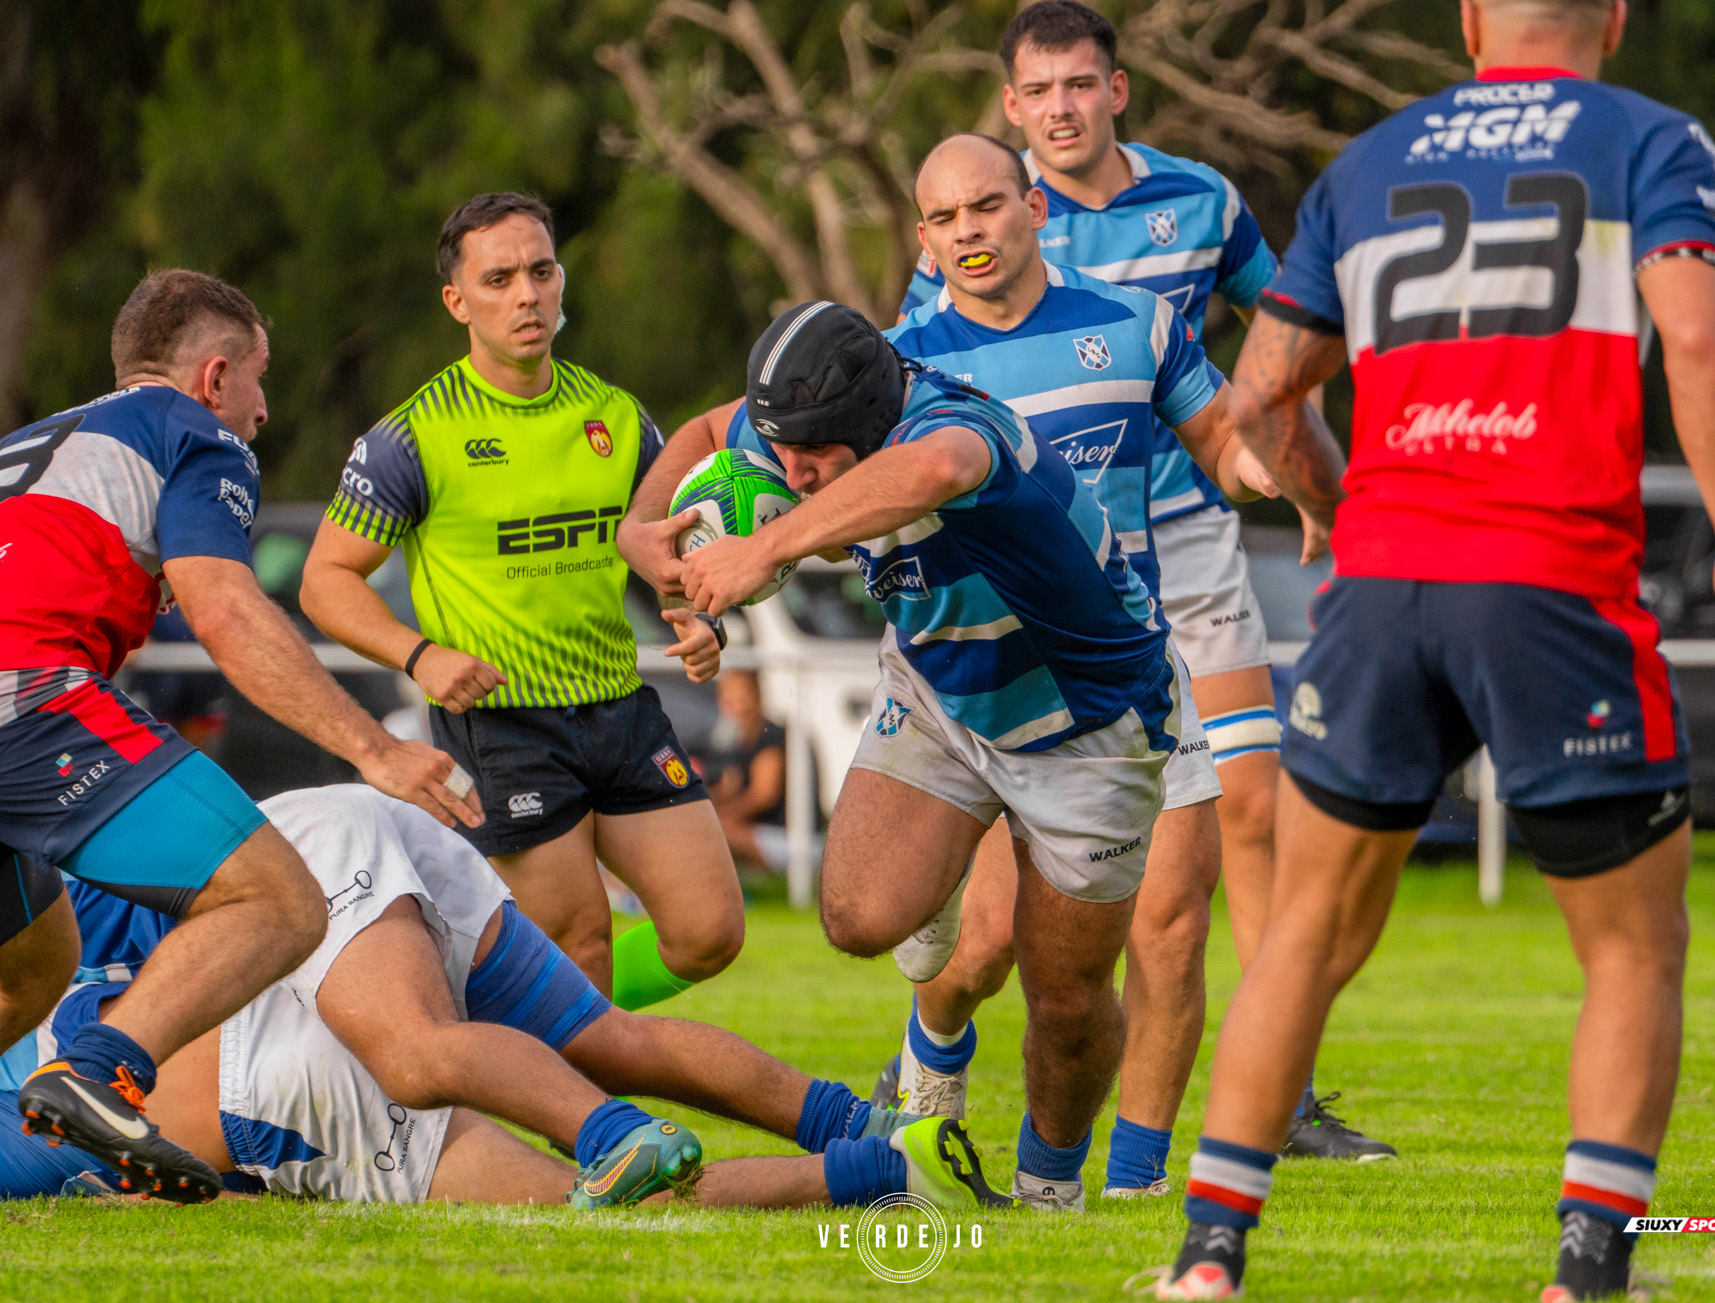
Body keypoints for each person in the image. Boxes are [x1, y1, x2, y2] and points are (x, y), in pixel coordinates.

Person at [1154, 1, 1715, 1298]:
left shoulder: (1371, 164)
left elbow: (1262, 396)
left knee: (1306, 938)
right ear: (1611, 18)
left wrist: (1333, 508)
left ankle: (1208, 1259)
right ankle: (1587, 1269)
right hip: (1550, 580)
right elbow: (1701, 340)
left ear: (1467, 22)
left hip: (1385, 587)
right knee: (1628, 948)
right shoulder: (1649, 139)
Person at [899, 1, 1384, 1161]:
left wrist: (1322, 486)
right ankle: (935, 1037)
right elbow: (914, 399)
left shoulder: (1201, 200)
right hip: (1049, 566)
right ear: (1011, 110)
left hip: (1192, 539)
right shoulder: (982, 214)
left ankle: (1268, 1099)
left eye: (1080, 85)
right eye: (1038, 91)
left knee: (1239, 826)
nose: (1060, 108)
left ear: (1116, 91)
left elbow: (1285, 343)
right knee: (998, 934)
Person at [671, 302, 1248, 1211]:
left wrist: (767, 549)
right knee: (859, 916)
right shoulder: (798, 431)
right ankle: (937, 902)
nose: (790, 473)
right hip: (940, 688)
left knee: (1065, 998)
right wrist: (649, 545)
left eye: (810, 456)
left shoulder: (961, 424)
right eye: (783, 452)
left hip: (1089, 724)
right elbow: (710, 431)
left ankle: (1049, 1183)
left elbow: (936, 469)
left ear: (871, 419)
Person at [0, 269, 481, 1202]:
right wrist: (375, 750)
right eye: (260, 381)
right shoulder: (198, 433)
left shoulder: (37, 441)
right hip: (29, 695)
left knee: (35, 968)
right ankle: (96, 1071)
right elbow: (226, 608)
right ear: (216, 376)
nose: (261, 413)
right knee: (282, 902)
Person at [864, 131, 1278, 1203]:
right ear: (925, 238)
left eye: (988, 208)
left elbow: (1219, 437)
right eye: (947, 219)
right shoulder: (897, 365)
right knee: (981, 948)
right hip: (984, 694)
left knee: (1172, 923)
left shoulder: (1136, 322)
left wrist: (1266, 468)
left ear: (1034, 208)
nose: (971, 233)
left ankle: (1121, 1183)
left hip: (1124, 684)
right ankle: (931, 1054)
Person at [0, 787, 1009, 1214]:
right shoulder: (48, 935)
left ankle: (639, 1137)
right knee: (607, 1035)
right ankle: (872, 1135)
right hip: (327, 832)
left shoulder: (30, 1068)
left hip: (278, 1072)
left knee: (429, 1062)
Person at [301, 192, 743, 1012]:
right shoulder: (412, 435)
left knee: (709, 929)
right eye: (498, 278)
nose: (526, 295)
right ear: (457, 300)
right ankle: (590, 1120)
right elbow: (324, 578)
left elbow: (671, 547)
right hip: (504, 724)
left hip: (622, 709)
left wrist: (702, 616)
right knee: (580, 940)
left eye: (540, 271)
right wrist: (420, 655)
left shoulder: (614, 414)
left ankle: (510, 1023)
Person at [701, 669, 790, 870]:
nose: (733, 700)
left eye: (740, 693)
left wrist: (716, 819)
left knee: (712, 831)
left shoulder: (771, 736)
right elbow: (727, 790)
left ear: (757, 694)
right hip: (759, 833)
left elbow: (763, 796)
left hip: (785, 836)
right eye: (727, 694)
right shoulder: (735, 739)